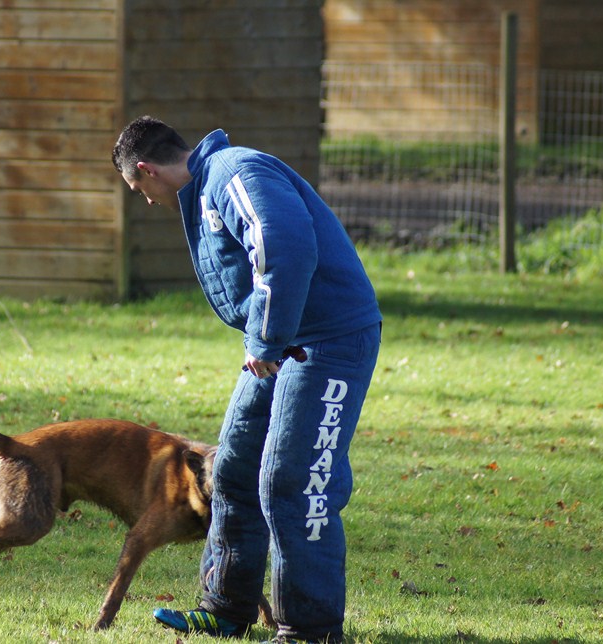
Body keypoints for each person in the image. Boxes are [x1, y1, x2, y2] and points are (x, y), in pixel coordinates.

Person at [112, 116, 382, 644]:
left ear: (145, 170)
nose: (144, 199)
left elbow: (285, 248)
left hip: (328, 339)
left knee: (292, 482)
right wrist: (265, 339)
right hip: (283, 341)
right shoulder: (207, 189)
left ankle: (310, 630)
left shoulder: (235, 173)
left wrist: (263, 339)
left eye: (137, 188)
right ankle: (225, 611)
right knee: (233, 470)